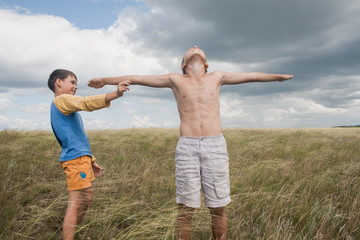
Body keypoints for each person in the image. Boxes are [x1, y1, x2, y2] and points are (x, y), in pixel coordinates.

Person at [88, 46, 293, 240]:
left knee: (218, 206)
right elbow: (137, 78)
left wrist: (278, 77)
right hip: (188, 147)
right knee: (186, 207)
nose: (194, 46)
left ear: (207, 64)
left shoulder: (217, 77)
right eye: (189, 49)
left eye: (197, 48)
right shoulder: (175, 79)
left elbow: (252, 76)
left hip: (215, 146)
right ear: (183, 65)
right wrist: (104, 80)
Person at [48, 69, 130, 240]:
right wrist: (115, 93)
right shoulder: (62, 100)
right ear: (58, 82)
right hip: (75, 160)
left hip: (80, 158)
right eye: (72, 82)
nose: (75, 87)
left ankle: (72, 233)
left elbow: (74, 138)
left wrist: (90, 160)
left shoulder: (65, 104)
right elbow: (86, 102)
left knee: (87, 197)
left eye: (76, 83)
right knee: (77, 200)